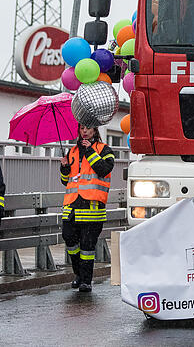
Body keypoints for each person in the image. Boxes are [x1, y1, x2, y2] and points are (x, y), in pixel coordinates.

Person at [60, 125, 115, 292]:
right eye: (82, 128)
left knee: (87, 246)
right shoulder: (73, 151)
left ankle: (85, 280)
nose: (84, 131)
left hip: (92, 206)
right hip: (72, 205)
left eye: (88, 129)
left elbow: (104, 170)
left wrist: (90, 151)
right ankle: (78, 274)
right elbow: (66, 181)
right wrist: (64, 168)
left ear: (95, 131)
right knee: (69, 238)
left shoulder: (104, 149)